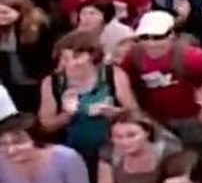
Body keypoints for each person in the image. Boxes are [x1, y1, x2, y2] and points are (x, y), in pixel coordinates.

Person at [37, 31, 138, 165]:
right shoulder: (52, 82)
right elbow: (46, 125)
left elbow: (135, 113)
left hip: (112, 150)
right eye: (65, 58)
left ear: (92, 55)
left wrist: (116, 114)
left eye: (77, 57)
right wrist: (67, 114)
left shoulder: (112, 74)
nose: (71, 63)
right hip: (71, 153)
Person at [119, 11, 202, 146]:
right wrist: (133, 109)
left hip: (191, 120)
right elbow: (119, 74)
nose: (151, 43)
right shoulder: (134, 56)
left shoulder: (191, 56)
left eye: (158, 37)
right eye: (144, 37)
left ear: (171, 35)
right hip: (156, 120)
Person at [0, 112, 90, 183]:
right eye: (3, 143)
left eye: (18, 142)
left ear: (36, 139)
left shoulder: (66, 157)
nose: (10, 150)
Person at [96, 110, 182, 183]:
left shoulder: (168, 152)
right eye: (118, 136)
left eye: (131, 135)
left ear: (147, 133)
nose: (125, 142)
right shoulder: (109, 153)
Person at [0, 0, 53, 112]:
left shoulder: (37, 27)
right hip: (11, 82)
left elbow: (43, 57)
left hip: (36, 81)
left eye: (5, 12)